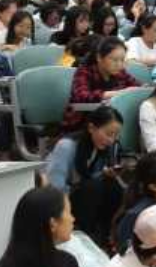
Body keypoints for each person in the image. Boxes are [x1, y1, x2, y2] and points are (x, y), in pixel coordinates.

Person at [46, 105, 126, 247]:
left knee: (113, 186)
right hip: (64, 203)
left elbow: (90, 177)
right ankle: (86, 236)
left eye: (115, 135)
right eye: (108, 134)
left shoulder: (101, 148)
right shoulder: (66, 146)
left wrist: (105, 173)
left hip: (86, 197)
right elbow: (55, 188)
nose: (111, 140)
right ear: (91, 128)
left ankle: (108, 235)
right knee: (94, 187)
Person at [63, 36, 140, 132]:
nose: (119, 65)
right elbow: (81, 97)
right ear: (99, 57)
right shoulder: (84, 71)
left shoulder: (120, 72)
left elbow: (138, 87)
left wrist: (139, 90)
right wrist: (117, 94)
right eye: (114, 60)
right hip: (82, 124)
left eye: (122, 60)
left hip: (111, 122)